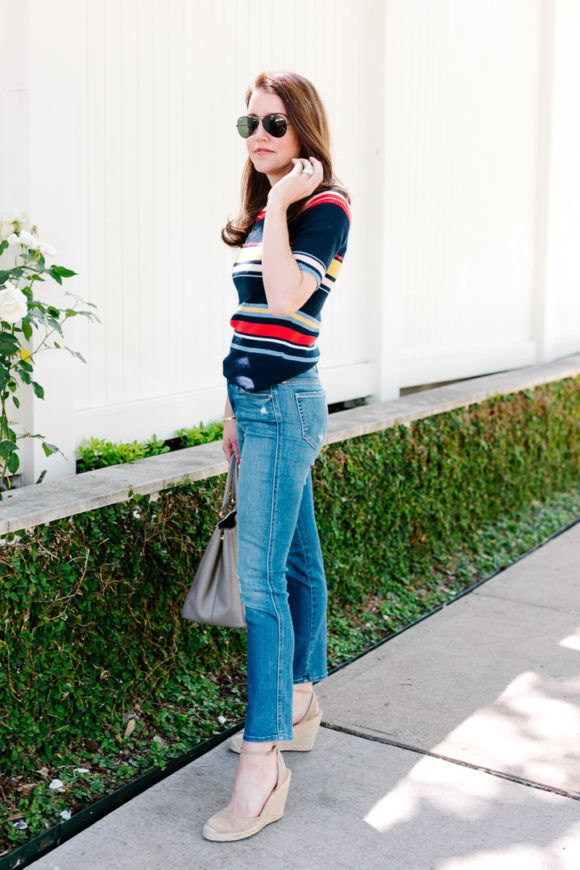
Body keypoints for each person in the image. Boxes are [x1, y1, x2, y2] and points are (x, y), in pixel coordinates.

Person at [203, 70, 351, 842]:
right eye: (250, 124)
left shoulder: (322, 209)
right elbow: (250, 317)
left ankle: (262, 765)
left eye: (274, 124)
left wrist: (288, 204)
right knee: (295, 560)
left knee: (260, 585)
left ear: (304, 133)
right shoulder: (268, 215)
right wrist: (230, 400)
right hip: (257, 404)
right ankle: (297, 702)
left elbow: (292, 299)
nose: (258, 135)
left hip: (288, 406)